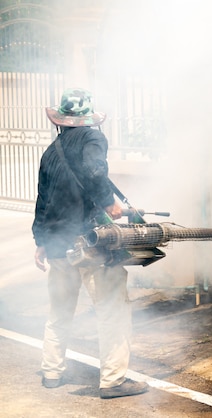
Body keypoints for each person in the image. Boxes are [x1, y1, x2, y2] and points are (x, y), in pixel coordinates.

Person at [32, 88, 148, 399]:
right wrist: (108, 202)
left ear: (61, 121)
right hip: (88, 243)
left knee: (59, 311)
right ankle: (113, 381)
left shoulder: (50, 153)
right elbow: (96, 170)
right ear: (87, 120)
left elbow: (43, 200)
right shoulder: (93, 139)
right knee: (112, 309)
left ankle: (51, 372)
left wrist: (41, 241)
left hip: (57, 245)